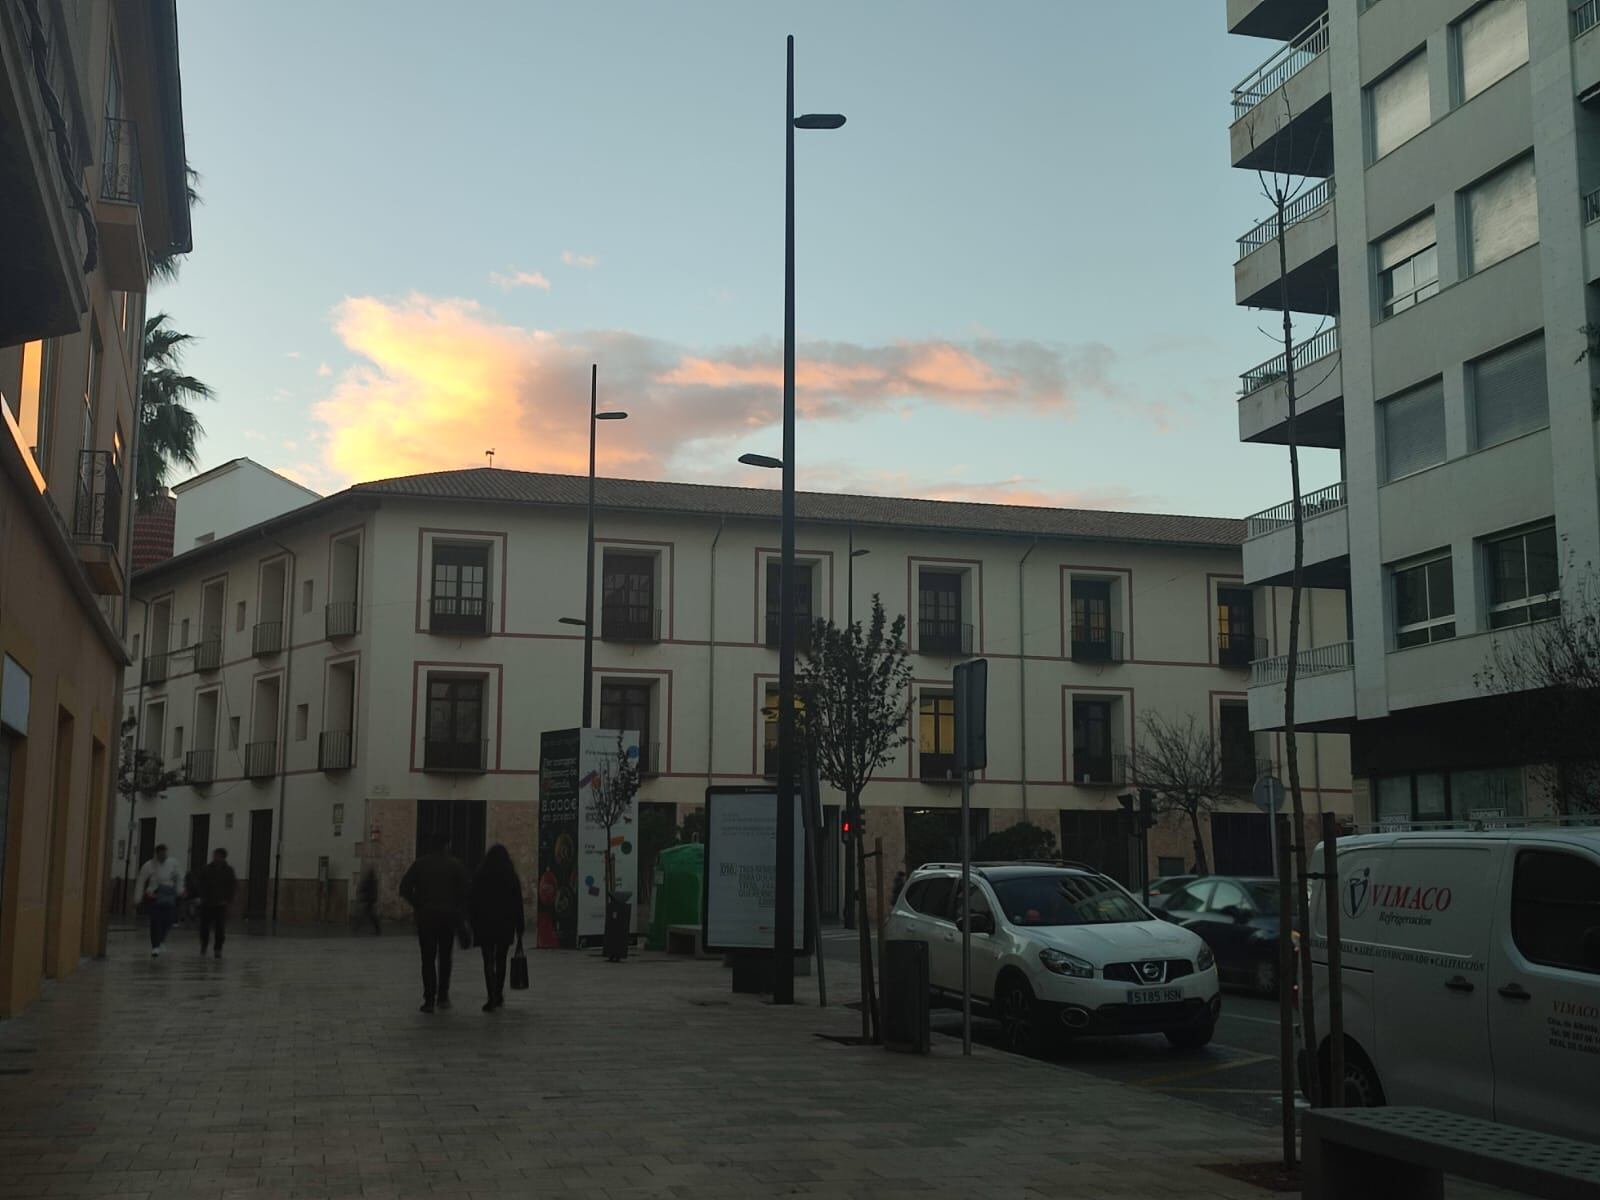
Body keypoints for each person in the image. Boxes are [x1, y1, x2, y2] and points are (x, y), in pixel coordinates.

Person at [398, 836, 470, 1013]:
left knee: (428, 959)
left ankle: (429, 999)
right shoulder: (456, 865)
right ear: (447, 845)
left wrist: (418, 904)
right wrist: (458, 911)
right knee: (445, 957)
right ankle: (443, 996)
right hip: (448, 918)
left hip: (426, 918)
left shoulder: (420, 865)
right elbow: (466, 892)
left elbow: (404, 888)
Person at [468, 844, 525, 1012]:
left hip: (485, 923)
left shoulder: (480, 875)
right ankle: (498, 994)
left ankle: (491, 995)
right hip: (504, 923)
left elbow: (473, 900)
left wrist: (472, 922)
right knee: (501, 960)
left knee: (488, 960)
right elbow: (517, 903)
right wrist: (519, 926)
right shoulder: (510, 876)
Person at [134, 845, 185, 957]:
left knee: (169, 920)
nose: (163, 857)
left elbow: (180, 877)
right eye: (161, 854)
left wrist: (179, 890)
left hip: (169, 896)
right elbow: (141, 881)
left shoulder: (173, 863)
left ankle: (161, 940)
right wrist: (137, 898)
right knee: (155, 922)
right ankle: (155, 946)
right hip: (153, 897)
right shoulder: (148, 866)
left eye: (164, 854)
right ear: (156, 854)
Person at [197, 848, 236, 959]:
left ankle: (218, 948)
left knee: (220, 928)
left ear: (223, 857)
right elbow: (200, 883)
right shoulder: (207, 869)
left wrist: (228, 900)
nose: (215, 858)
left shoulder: (228, 871)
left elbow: (231, 886)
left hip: (220, 904)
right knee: (204, 927)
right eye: (214, 855)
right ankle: (204, 945)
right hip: (207, 903)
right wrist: (201, 896)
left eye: (218, 856)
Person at [358, 867, 381, 935]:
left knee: (367, 914)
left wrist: (362, 894)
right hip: (370, 900)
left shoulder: (369, 881)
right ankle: (377, 929)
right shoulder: (373, 881)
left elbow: (364, 888)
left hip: (369, 900)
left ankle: (357, 927)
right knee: (370, 915)